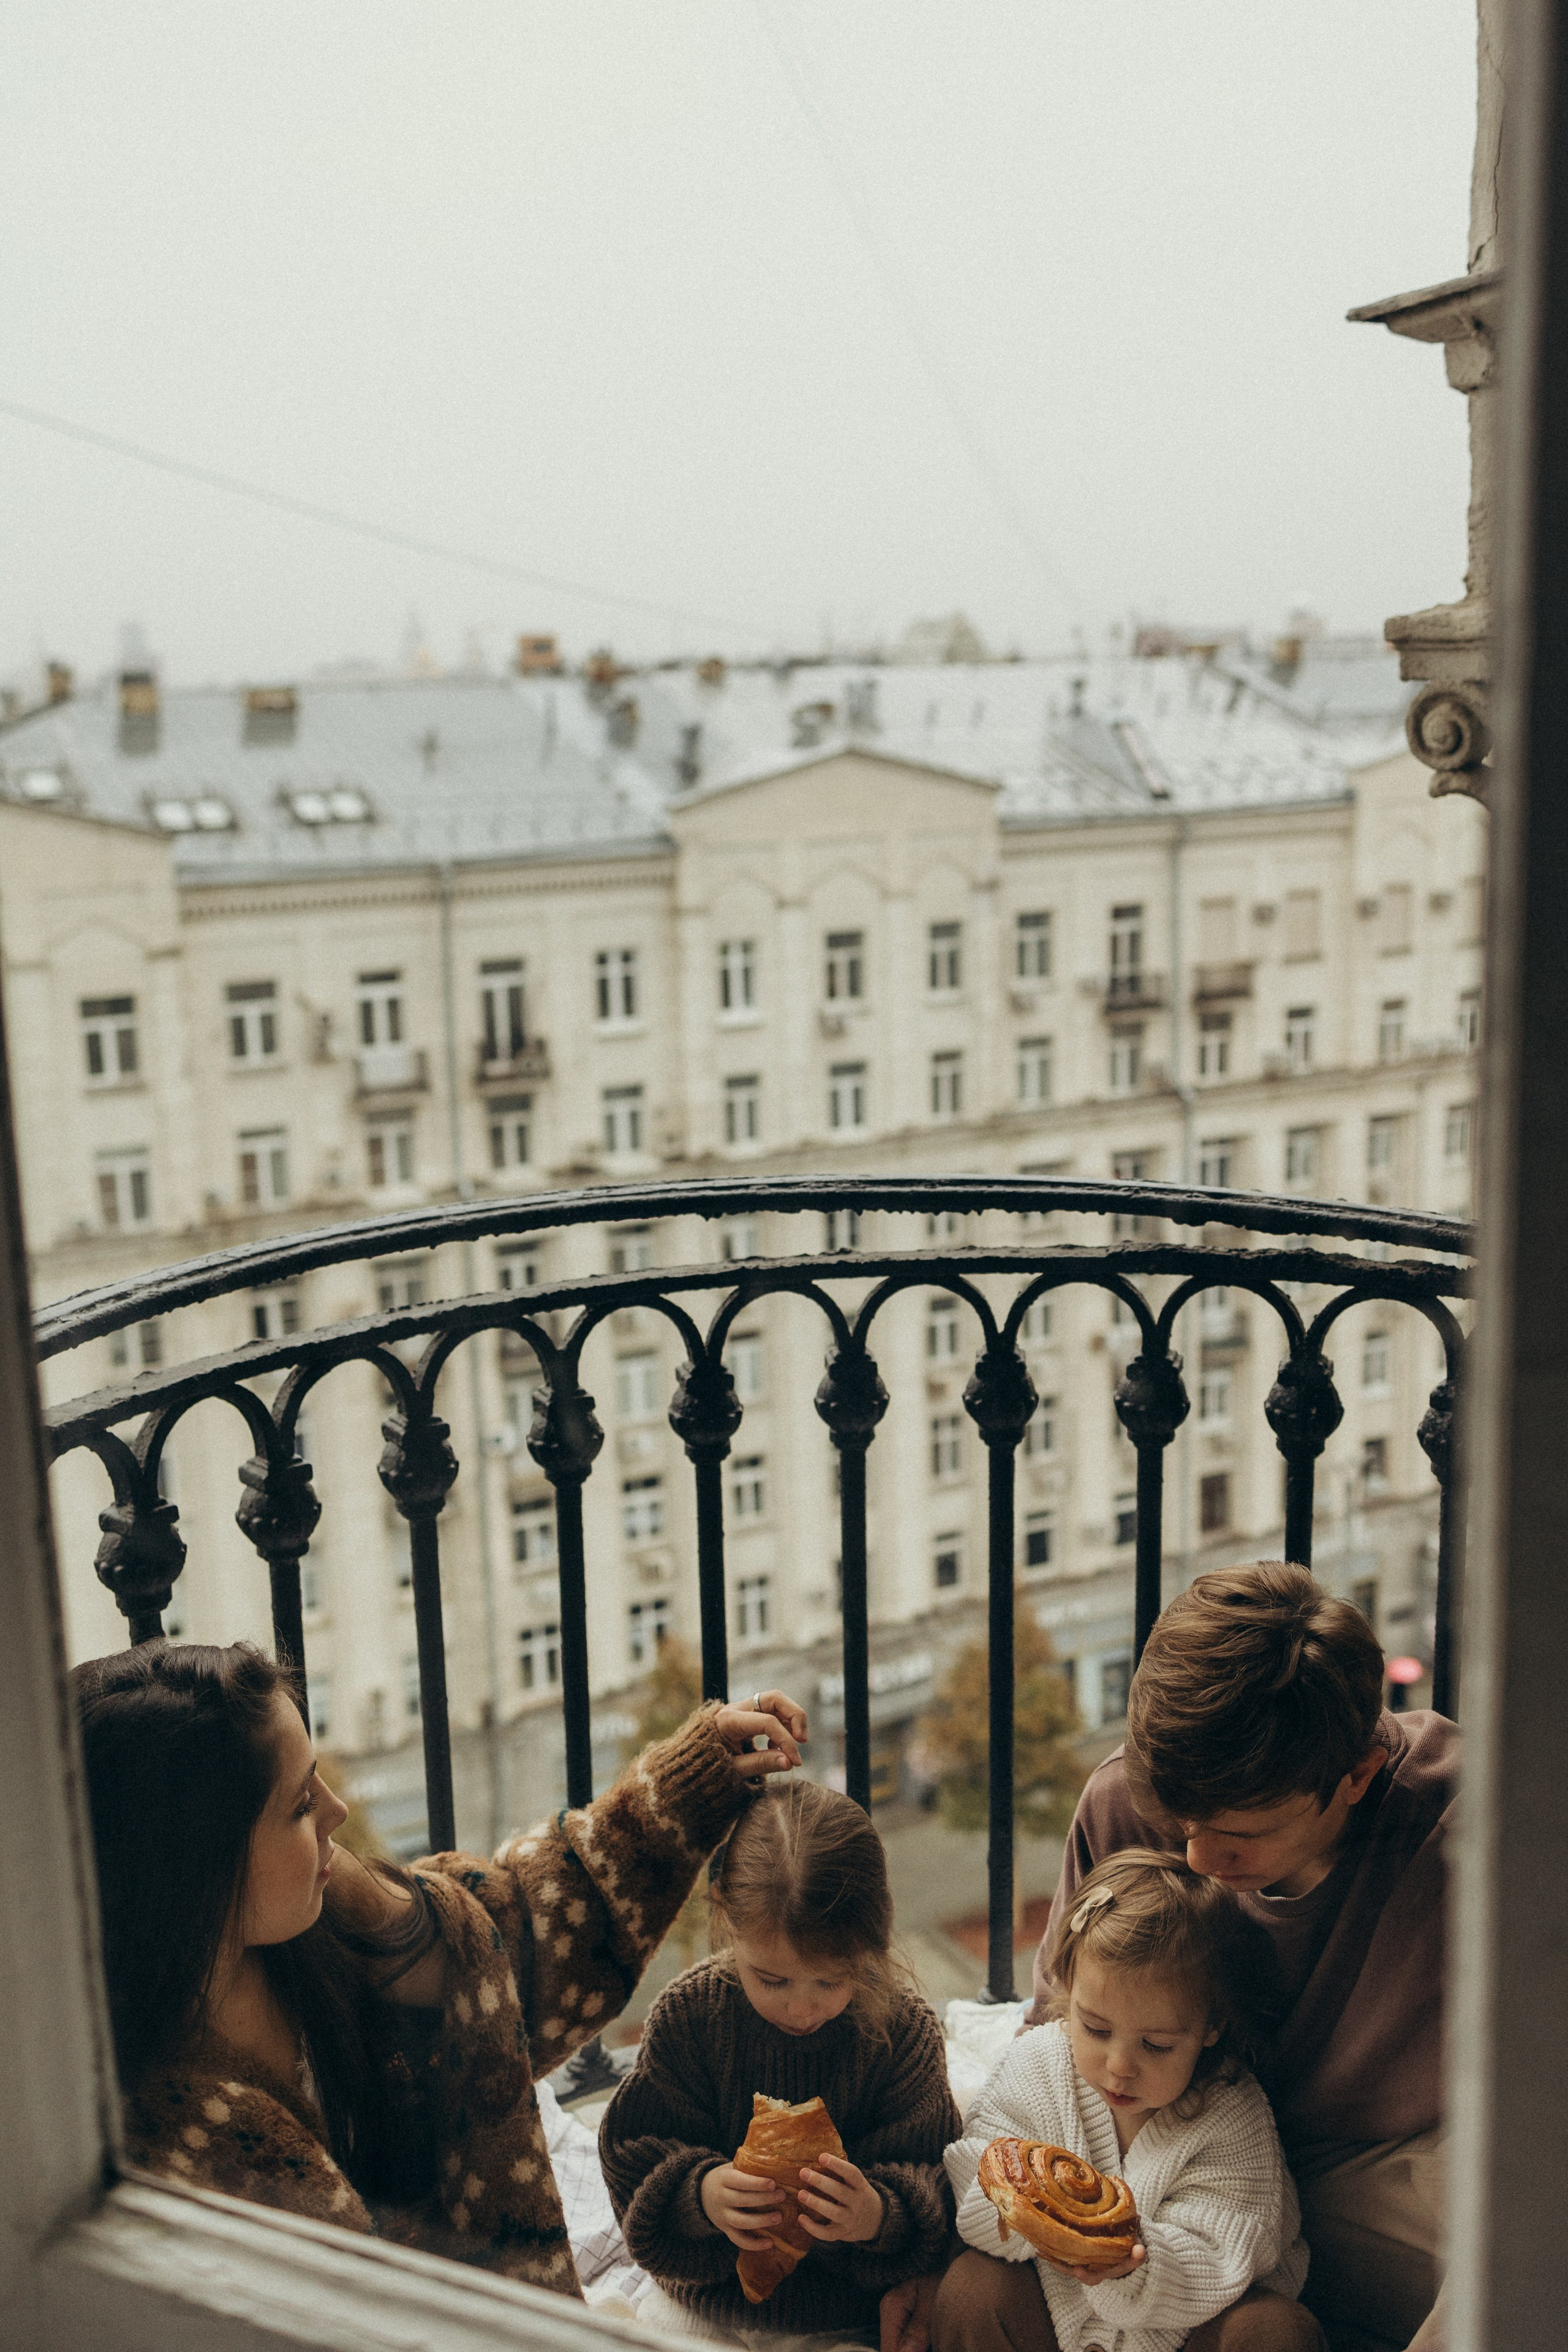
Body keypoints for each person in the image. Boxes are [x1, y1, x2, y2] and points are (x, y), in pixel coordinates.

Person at [72, 1638, 807, 2295]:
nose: (335, 1811)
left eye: (319, 1778)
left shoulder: (339, 1917)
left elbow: (515, 1939)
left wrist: (688, 1783)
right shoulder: (146, 2135)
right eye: (299, 1805)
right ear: (191, 1871)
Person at [1018, 1564, 1453, 2352]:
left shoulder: (1473, 1832)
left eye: (1241, 1833)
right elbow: (1052, 2038)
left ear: (1355, 1777)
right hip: (1164, 2150)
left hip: (1366, 2170)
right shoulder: (1122, 1801)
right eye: (1178, 1820)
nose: (1197, 1858)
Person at [598, 1774, 962, 2348]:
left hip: (846, 2311)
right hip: (707, 2301)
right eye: (770, 1979)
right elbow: (634, 2155)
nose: (801, 2006)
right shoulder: (691, 2018)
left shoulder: (901, 2031)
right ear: (727, 1921)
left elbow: (938, 2181)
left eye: (831, 1979)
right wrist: (702, 2194)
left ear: (871, 1943)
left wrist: (876, 2215)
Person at [940, 1849, 1319, 2352]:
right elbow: (975, 2173)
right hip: (1052, 2328)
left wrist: (1129, 2263)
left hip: (1182, 2332)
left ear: (1211, 2027)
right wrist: (1032, 2214)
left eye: (1156, 2045)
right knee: (971, 2290)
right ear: (1067, 1989)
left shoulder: (1231, 2112)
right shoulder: (1038, 2066)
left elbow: (1226, 2251)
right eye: (1095, 2028)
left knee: (1273, 2331)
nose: (1120, 2064)